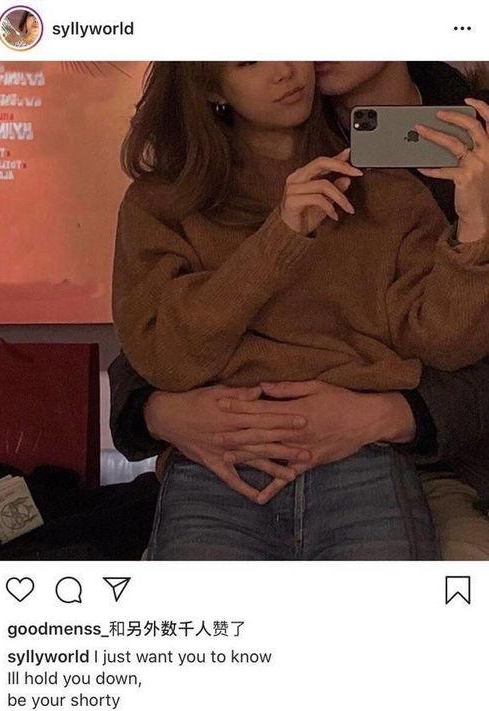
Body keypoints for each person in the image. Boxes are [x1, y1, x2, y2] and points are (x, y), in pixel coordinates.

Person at [110, 61, 489, 560]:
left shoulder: (387, 186)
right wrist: (280, 238)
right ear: (210, 86)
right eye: (250, 59)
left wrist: (475, 228)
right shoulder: (161, 202)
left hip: (366, 458)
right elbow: (157, 354)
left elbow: (444, 342)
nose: (286, 69)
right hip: (220, 467)